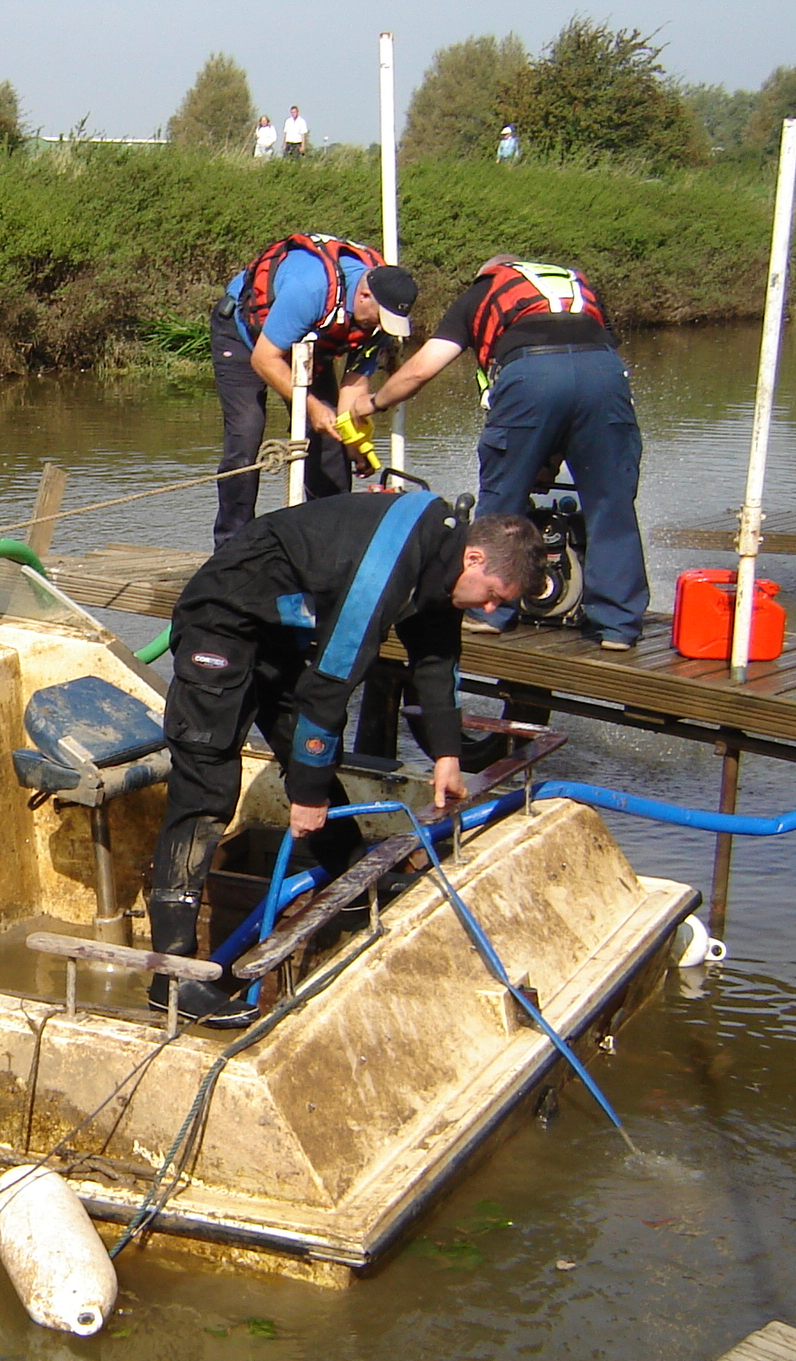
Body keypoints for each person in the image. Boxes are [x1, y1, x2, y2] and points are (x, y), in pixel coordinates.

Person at [146, 493, 544, 1018]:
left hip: (277, 632)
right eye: (494, 594)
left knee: (313, 756)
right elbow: (331, 684)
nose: (492, 609)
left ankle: (354, 888)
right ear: (474, 559)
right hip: (223, 618)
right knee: (207, 784)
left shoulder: (439, 557)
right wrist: (306, 795)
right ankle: (171, 981)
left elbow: (436, 658)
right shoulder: (388, 564)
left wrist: (448, 754)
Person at [349, 255, 646, 649]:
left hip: (530, 374)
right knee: (612, 503)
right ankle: (618, 626)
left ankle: (489, 612)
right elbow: (577, 370)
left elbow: (423, 368)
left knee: (502, 501)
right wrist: (551, 456)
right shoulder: (575, 283)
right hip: (605, 374)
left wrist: (375, 402)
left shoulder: (482, 291)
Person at [210, 233, 416, 545]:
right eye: (380, 319)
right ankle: (231, 547)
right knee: (246, 437)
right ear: (363, 296)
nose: (381, 328)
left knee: (329, 439)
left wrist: (354, 444)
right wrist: (312, 407)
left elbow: (352, 390)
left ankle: (327, 543)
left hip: (309, 346)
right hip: (247, 339)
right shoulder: (311, 289)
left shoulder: (378, 319)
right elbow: (264, 360)